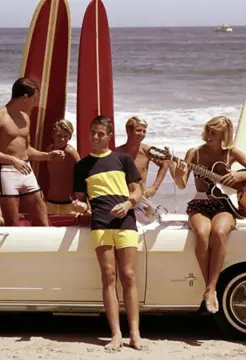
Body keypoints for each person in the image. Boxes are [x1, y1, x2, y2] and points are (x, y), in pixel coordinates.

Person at [167, 116, 246, 314]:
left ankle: (210, 288)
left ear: (224, 135)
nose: (208, 135)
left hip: (225, 204)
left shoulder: (231, 153)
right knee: (201, 232)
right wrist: (176, 169)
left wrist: (240, 175)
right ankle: (211, 289)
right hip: (200, 203)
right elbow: (181, 184)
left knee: (219, 232)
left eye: (214, 133)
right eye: (208, 131)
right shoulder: (194, 153)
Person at [72, 115, 144, 351]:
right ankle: (115, 334)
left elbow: (137, 190)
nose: (95, 137)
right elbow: (81, 201)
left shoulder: (122, 159)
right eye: (92, 132)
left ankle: (134, 333)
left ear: (109, 136)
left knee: (129, 275)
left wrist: (128, 204)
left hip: (126, 222)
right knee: (109, 276)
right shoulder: (81, 166)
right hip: (100, 223)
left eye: (100, 133)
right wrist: (80, 207)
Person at [0, 77, 65, 226]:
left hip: (26, 170)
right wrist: (13, 160)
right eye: (34, 99)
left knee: (42, 218)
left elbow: (26, 149)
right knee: (12, 223)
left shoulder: (25, 118)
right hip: (7, 172)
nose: (35, 104)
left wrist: (47, 156)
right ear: (25, 98)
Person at [115, 116, 168, 199]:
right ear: (128, 131)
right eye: (138, 130)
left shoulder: (146, 151)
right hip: (123, 198)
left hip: (142, 198)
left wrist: (154, 187)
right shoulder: (117, 152)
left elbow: (164, 164)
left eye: (144, 131)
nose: (142, 134)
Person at [43, 119, 81, 214]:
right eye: (59, 136)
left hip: (68, 203)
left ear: (70, 137)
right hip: (50, 201)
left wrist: (81, 199)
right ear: (53, 135)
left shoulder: (70, 152)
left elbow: (82, 174)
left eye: (66, 136)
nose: (62, 139)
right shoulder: (49, 150)